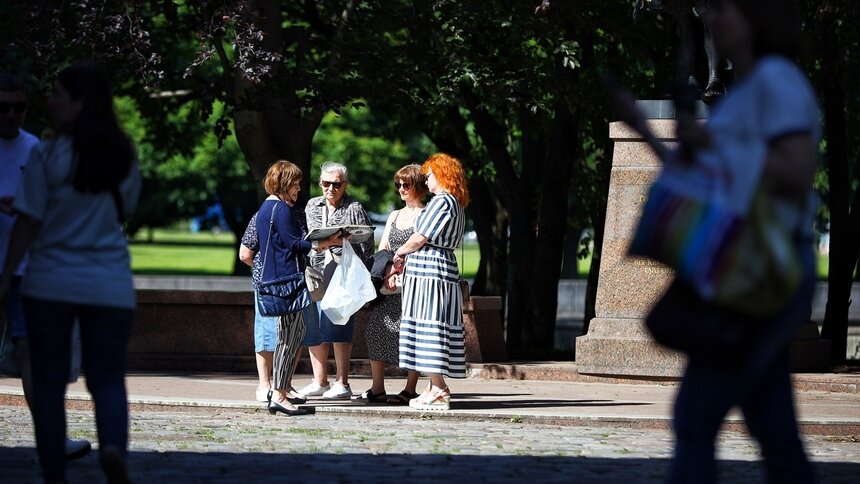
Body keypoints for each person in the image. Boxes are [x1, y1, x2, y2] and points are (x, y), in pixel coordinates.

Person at [609, 1, 819, 481]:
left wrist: (715, 146)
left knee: (696, 417)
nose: (712, 19)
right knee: (774, 431)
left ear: (755, 20)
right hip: (745, 264)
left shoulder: (776, 81)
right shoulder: (746, 91)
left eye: (725, 9)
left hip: (761, 268)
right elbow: (714, 180)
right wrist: (645, 132)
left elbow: (796, 169)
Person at [0, 63, 142, 483]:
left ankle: (54, 474)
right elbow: (128, 209)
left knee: (47, 383)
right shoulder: (123, 152)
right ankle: (113, 448)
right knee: (108, 380)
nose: (50, 101)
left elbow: (27, 221)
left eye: (58, 94)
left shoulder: (47, 153)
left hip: (51, 283)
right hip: (110, 284)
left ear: (80, 102)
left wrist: (6, 277)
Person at [0, 72, 93, 462]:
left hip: (24, 269)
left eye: (18, 107)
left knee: (31, 356)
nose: (11, 115)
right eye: (2, 107)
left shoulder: (36, 150)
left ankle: (51, 438)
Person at [256, 160, 341, 416]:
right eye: (295, 183)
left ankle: (279, 391)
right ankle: (280, 394)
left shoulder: (265, 208)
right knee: (289, 338)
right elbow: (295, 245)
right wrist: (326, 242)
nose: (298, 188)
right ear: (284, 183)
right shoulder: (280, 209)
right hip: (287, 283)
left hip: (276, 282)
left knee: (289, 335)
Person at [393, 153, 469, 411]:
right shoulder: (455, 203)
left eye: (429, 175)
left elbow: (421, 236)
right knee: (431, 324)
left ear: (442, 174)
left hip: (430, 272)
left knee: (429, 325)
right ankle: (431, 386)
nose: (426, 180)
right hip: (439, 269)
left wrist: (400, 252)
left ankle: (438, 387)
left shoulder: (443, 202)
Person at [298, 161, 373, 401]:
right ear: (320, 183)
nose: (331, 189)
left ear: (345, 185)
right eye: (326, 183)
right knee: (314, 323)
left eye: (336, 184)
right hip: (316, 270)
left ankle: (342, 382)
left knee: (340, 323)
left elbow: (367, 245)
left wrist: (345, 242)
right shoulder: (312, 205)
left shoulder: (354, 207)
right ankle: (319, 380)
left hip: (342, 272)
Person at [355, 165, 425, 405]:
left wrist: (400, 271)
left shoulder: (425, 215)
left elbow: (422, 249)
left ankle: (410, 388)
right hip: (389, 285)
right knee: (375, 330)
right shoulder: (395, 215)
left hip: (414, 285)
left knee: (412, 334)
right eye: (399, 185)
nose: (402, 189)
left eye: (407, 184)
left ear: (419, 186)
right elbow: (383, 249)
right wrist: (387, 274)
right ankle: (378, 388)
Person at [239, 212, 308, 405]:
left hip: (274, 280)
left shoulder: (263, 214)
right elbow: (245, 253)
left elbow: (245, 254)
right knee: (279, 333)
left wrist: (262, 267)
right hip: (282, 281)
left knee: (277, 332)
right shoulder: (292, 216)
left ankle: (269, 385)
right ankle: (276, 386)